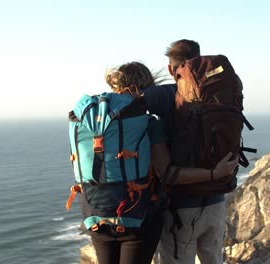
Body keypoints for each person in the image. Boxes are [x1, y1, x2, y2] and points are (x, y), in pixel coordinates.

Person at [81, 61, 238, 264]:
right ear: (145, 88)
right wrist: (213, 174)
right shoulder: (149, 124)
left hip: (98, 215)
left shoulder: (92, 125)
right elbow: (166, 172)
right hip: (137, 218)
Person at [142, 39, 230, 264]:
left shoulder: (165, 95)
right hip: (217, 201)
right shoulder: (219, 92)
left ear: (171, 69)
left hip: (182, 206)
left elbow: (124, 102)